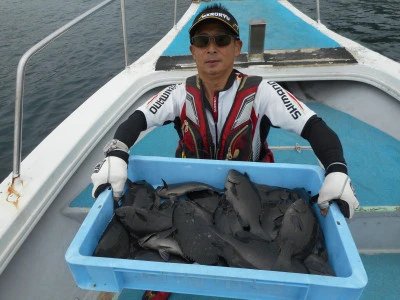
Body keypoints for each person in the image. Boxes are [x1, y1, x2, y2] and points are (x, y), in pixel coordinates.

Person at [92, 5, 359, 298]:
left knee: (251, 240)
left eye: (221, 40)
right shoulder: (179, 93)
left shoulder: (263, 92)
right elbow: (137, 121)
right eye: (202, 41)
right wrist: (116, 155)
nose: (211, 48)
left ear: (237, 47)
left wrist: (337, 169)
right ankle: (168, 270)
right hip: (192, 193)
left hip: (251, 189)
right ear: (193, 50)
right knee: (181, 226)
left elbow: (315, 127)